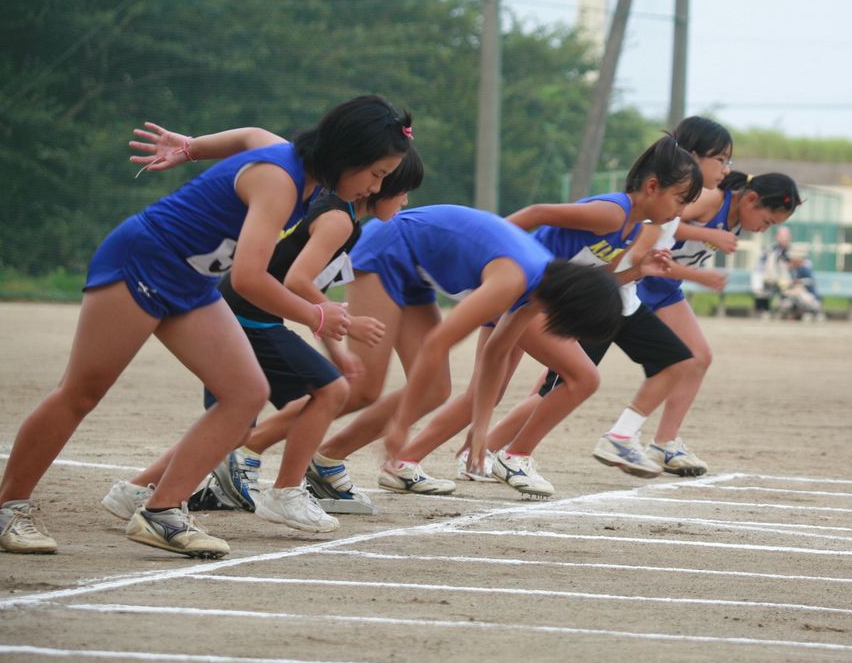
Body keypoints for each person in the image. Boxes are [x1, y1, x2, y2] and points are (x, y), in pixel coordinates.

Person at [0, 95, 412, 558]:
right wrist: (317, 314)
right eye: (377, 174)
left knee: (244, 394)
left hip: (190, 279)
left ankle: (160, 512)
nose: (374, 187)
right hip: (142, 260)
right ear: (346, 155)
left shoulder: (296, 166)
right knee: (82, 391)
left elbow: (248, 134)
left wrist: (190, 147)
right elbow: (247, 277)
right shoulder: (281, 181)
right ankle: (3, 508)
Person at [100, 133, 426, 530]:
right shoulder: (338, 219)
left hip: (247, 314)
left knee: (237, 426)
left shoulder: (340, 214)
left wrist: (337, 352)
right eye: (400, 188)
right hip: (247, 316)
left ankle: (136, 490)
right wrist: (344, 323)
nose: (404, 199)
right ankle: (286, 492)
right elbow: (297, 281)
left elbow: (310, 291)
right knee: (330, 391)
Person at [346, 135, 698, 497]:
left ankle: (404, 460)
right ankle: (515, 455)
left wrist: (638, 271)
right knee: (582, 377)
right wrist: (493, 253)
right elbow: (536, 213)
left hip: (532, 295)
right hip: (525, 285)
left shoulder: (633, 229)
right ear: (653, 187)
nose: (680, 211)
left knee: (489, 386)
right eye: (680, 199)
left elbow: (596, 281)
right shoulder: (613, 212)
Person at [302, 204, 627, 502]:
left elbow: (495, 353)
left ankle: (326, 462)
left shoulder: (541, 288)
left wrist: (481, 427)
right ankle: (254, 447)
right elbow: (438, 342)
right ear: (570, 309)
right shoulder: (515, 277)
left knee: (435, 390)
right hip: (387, 248)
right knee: (364, 387)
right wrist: (401, 423)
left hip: (414, 269)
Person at [632, 166, 802, 473]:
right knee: (578, 364)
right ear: (750, 200)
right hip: (638, 279)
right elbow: (657, 223)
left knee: (699, 357)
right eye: (767, 221)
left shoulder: (739, 216)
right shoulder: (712, 199)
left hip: (666, 286)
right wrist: (707, 235)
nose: (765, 229)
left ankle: (664, 444)